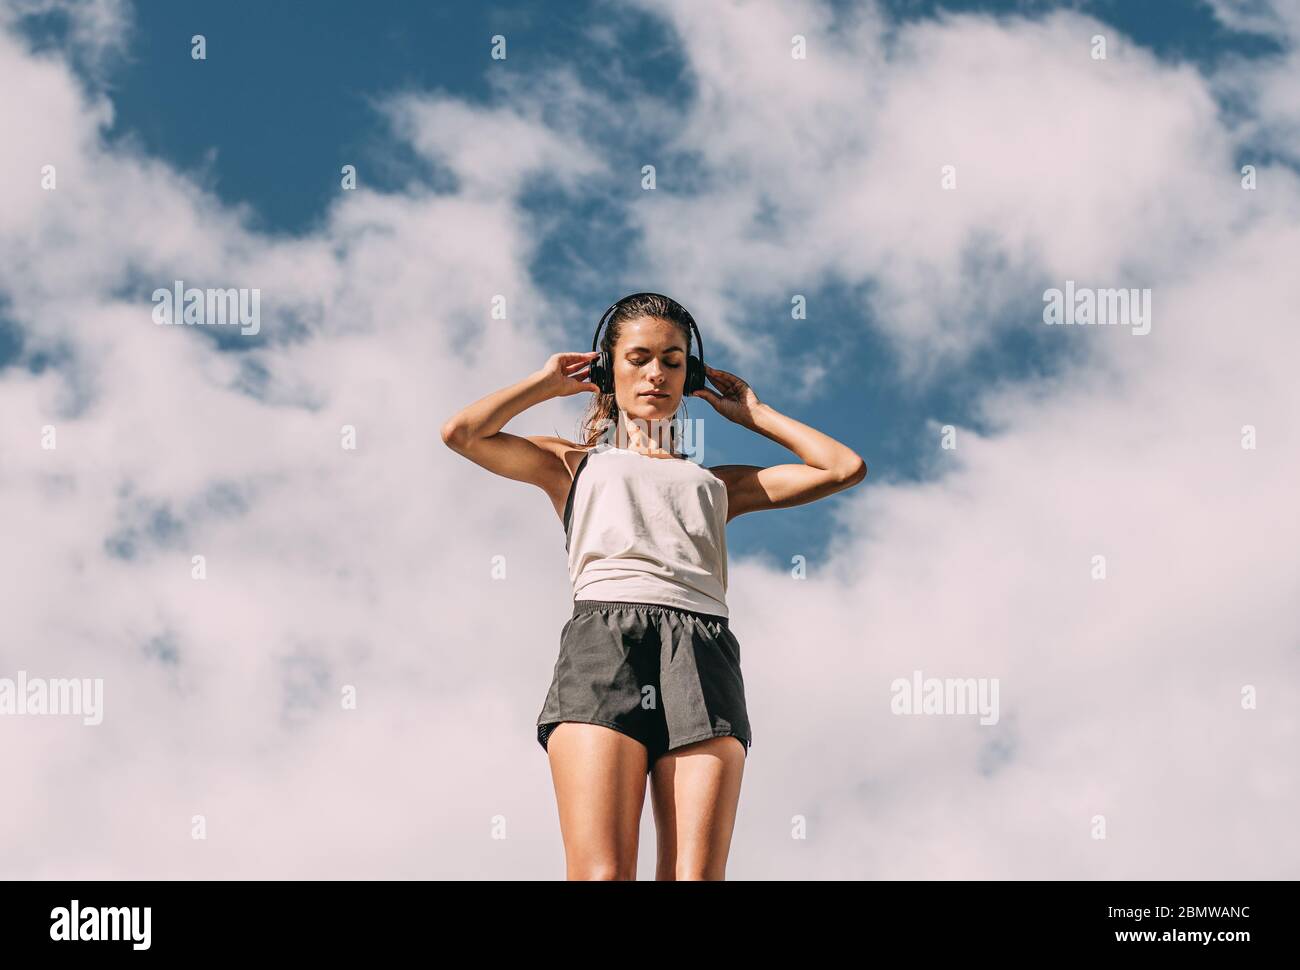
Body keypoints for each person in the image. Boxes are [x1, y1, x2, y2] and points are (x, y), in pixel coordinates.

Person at [440, 293, 867, 879]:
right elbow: (463, 433)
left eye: (672, 360)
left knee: (694, 877)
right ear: (605, 368)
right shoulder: (572, 464)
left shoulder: (718, 485)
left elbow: (842, 467)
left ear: (688, 374)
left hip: (702, 649)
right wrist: (546, 384)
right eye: (638, 357)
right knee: (603, 874)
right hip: (604, 644)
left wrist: (754, 413)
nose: (656, 373)